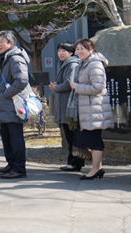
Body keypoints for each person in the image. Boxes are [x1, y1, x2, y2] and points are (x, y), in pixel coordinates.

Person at [70, 39, 113, 180]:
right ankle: (97, 168)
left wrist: (77, 87)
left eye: (82, 48)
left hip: (94, 109)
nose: (79, 51)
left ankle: (95, 170)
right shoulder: (84, 63)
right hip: (88, 109)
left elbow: (98, 87)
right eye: (77, 49)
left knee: (93, 142)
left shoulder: (95, 64)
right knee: (89, 141)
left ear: (91, 50)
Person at [0, 30, 30, 179]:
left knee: (15, 137)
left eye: (2, 42)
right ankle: (12, 164)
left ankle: (19, 168)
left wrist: (5, 94)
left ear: (11, 43)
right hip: (6, 105)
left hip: (13, 105)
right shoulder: (6, 58)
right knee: (6, 136)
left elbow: (22, 80)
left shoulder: (15, 58)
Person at [48, 41, 84, 172]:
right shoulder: (62, 63)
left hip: (70, 106)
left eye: (64, 51)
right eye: (59, 51)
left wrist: (56, 87)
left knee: (72, 136)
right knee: (69, 136)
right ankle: (72, 162)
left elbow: (70, 83)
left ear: (71, 52)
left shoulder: (72, 64)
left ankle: (75, 163)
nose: (60, 53)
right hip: (64, 104)